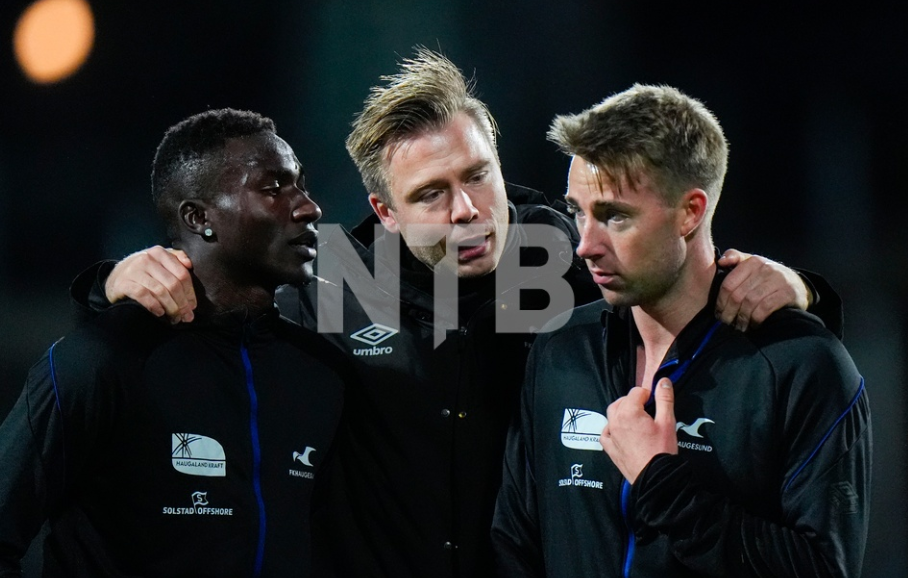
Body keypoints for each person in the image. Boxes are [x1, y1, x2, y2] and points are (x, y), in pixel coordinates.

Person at [75, 51, 842, 577]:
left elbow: (699, 285)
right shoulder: (333, 279)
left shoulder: (571, 253)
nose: (470, 209)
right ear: (384, 208)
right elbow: (196, 307)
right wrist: (108, 284)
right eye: (432, 194)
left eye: (479, 175)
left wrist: (802, 290)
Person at [491, 85, 871, 577]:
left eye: (615, 216)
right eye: (577, 212)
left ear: (690, 212)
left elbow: (822, 569)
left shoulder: (801, 366)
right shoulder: (560, 350)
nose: (584, 244)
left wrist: (662, 485)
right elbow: (515, 544)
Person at [0, 109, 347, 577]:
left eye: (301, 185)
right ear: (199, 217)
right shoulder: (100, 361)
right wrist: (104, 286)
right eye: (273, 188)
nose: (309, 207)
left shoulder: (320, 372)